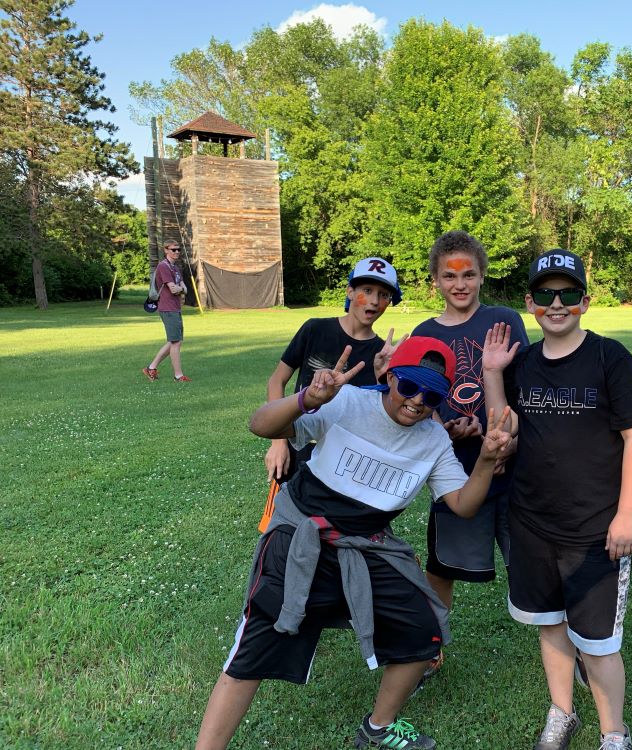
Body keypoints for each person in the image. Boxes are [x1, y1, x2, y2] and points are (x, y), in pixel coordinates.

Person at [194, 337, 513, 750]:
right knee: (253, 651)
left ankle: (379, 727)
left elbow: (463, 504)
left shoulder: (433, 439)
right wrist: (307, 398)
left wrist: (486, 461)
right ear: (391, 376)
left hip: (367, 546)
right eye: (410, 386)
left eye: (432, 395)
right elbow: (260, 425)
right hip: (300, 537)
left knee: (423, 629)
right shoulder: (348, 403)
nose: (417, 401)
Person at [482, 249, 632, 750]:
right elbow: (502, 430)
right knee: (550, 627)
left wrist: (626, 515)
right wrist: (493, 374)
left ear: (585, 300)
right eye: (545, 295)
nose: (557, 304)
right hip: (532, 522)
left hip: (595, 528)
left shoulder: (609, 357)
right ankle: (562, 712)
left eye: (569, 294)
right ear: (530, 302)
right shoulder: (524, 363)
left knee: (598, 646)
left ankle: (613, 733)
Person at [411, 230, 529, 626]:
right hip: (456, 472)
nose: (459, 284)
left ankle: (570, 646)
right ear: (436, 280)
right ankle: (430, 643)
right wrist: (445, 427)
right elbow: (418, 404)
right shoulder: (425, 333)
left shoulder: (504, 320)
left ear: (482, 276)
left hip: (514, 471)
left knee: (531, 560)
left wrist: (511, 440)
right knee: (443, 566)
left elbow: (526, 391)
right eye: (449, 276)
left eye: (468, 275)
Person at [263, 257, 405, 486]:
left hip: (345, 459)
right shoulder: (315, 329)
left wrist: (384, 377)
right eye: (366, 290)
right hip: (298, 445)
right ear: (350, 292)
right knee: (286, 518)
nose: (374, 301)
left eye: (384, 295)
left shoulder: (382, 355)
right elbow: (277, 381)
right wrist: (278, 442)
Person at [142, 242, 190, 382]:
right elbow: (174, 289)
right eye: (173, 250)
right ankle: (178, 376)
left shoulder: (175, 268)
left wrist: (180, 288)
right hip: (167, 308)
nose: (177, 252)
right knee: (175, 342)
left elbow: (184, 289)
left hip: (175, 307)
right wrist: (180, 288)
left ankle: (151, 368)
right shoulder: (163, 266)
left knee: (175, 341)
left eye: (178, 250)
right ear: (166, 251)